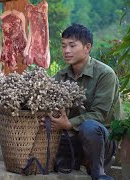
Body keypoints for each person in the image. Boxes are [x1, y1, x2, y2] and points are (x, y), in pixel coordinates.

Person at [41, 23, 124, 180]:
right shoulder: (61, 76)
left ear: (87, 47)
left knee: (90, 126)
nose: (66, 51)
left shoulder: (105, 74)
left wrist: (69, 123)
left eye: (72, 46)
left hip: (101, 139)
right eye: (64, 46)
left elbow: (100, 114)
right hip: (73, 137)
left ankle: (99, 174)